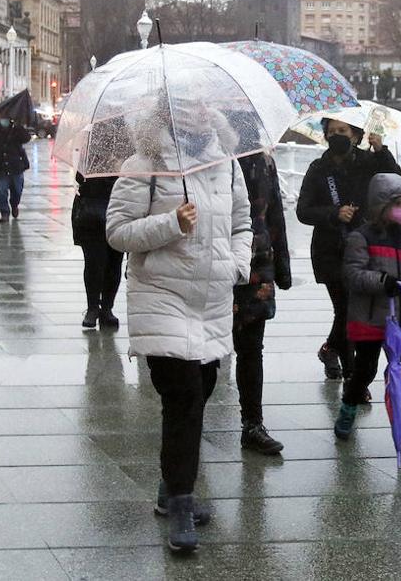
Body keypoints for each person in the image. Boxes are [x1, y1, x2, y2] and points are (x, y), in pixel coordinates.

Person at [105, 119, 251, 555]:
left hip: (212, 299)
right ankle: (183, 504)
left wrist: (237, 266)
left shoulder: (227, 164)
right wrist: (171, 223)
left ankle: (171, 487)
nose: (196, 111)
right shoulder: (144, 164)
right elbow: (117, 233)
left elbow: (242, 223)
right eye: (186, 105)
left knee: (201, 390)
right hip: (162, 297)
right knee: (184, 395)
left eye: (203, 103)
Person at [335, 173, 401, 461]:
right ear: (381, 204)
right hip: (369, 318)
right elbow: (352, 274)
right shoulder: (361, 237)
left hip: (399, 320)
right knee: (365, 370)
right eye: (397, 203)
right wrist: (382, 282)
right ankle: (349, 405)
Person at [296, 118, 401, 384]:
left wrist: (381, 150)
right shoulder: (318, 168)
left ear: (356, 135)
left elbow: (397, 182)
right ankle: (353, 379)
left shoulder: (369, 162)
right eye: (331, 132)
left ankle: (331, 349)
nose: (336, 136)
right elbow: (303, 211)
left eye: (342, 131)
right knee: (344, 309)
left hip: (362, 250)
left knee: (352, 310)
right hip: (329, 250)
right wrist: (333, 213)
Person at [233, 150, 293, 455]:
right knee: (202, 354)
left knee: (251, 349)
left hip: (256, 266)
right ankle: (191, 421)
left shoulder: (262, 160)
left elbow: (275, 214)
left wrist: (282, 266)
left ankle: (253, 423)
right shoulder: (196, 157)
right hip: (210, 264)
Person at [71, 171, 123, 329]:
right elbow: (80, 178)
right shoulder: (90, 156)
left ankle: (107, 308)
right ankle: (92, 308)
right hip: (91, 217)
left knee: (114, 264)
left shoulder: (125, 157)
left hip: (118, 214)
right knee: (94, 264)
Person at [0, 115, 31, 222]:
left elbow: (26, 138)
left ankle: (14, 205)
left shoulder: (16, 129)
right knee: (1, 192)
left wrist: (19, 126)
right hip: (0, 167)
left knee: (17, 190)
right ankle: (4, 213)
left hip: (16, 166)